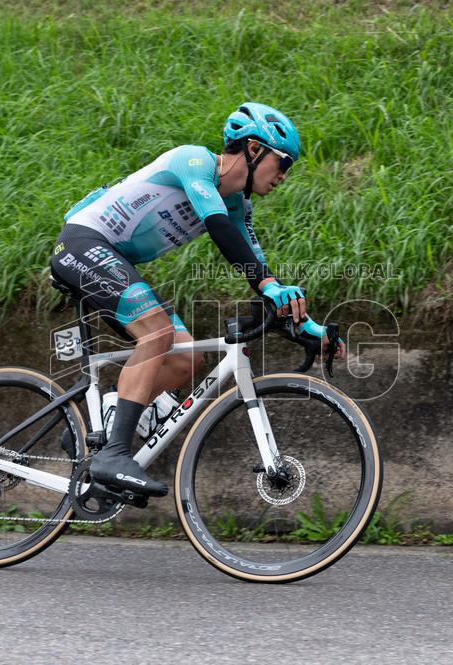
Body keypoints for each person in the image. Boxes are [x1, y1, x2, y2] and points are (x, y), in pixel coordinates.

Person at [50, 102, 345, 497]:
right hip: (84, 242)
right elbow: (219, 228)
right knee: (155, 332)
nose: (284, 176)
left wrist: (307, 326)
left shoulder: (238, 204)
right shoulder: (194, 163)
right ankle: (113, 456)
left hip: (112, 258)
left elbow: (258, 270)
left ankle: (95, 431)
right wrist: (271, 288)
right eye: (284, 162)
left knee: (189, 357)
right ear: (255, 150)